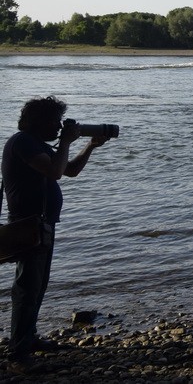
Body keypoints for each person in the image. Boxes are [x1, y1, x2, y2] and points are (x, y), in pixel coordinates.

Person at [2, 96, 108, 372]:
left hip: (43, 223)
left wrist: (90, 146)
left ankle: (28, 339)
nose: (60, 127)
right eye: (56, 121)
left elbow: (68, 170)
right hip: (28, 224)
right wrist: (66, 142)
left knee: (37, 287)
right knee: (27, 289)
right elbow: (54, 172)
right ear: (41, 122)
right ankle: (18, 355)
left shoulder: (36, 144)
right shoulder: (23, 141)